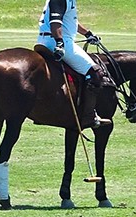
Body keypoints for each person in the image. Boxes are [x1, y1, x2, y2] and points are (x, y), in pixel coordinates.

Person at [37, 0, 113, 129]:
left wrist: (87, 34)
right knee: (95, 72)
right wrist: (60, 42)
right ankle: (88, 117)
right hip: (59, 41)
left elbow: (70, 21)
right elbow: (55, 22)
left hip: (47, 40)